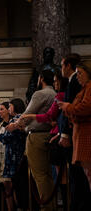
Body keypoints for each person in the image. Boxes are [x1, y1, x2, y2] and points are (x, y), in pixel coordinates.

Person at [15, 69, 57, 211]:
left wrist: (16, 125)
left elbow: (27, 115)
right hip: (50, 135)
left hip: (37, 136)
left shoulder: (40, 93)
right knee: (48, 175)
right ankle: (52, 205)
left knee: (39, 174)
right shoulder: (55, 94)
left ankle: (47, 207)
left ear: (41, 78)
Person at [58, 60, 91, 192]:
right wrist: (70, 110)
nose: (77, 77)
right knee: (88, 176)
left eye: (80, 73)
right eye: (76, 74)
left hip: (86, 134)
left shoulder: (89, 87)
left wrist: (68, 107)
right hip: (81, 133)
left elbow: (86, 108)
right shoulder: (85, 88)